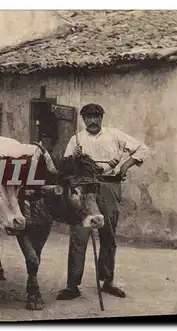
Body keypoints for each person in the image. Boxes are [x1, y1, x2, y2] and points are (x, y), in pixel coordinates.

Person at [56, 103, 150, 300]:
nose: (92, 121)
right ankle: (72, 285)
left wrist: (124, 167)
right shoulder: (77, 139)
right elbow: (65, 165)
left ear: (101, 118)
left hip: (109, 186)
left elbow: (142, 149)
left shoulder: (114, 135)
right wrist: (75, 158)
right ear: (83, 120)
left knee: (108, 235)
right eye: (88, 117)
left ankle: (107, 282)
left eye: (96, 117)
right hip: (84, 188)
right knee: (79, 235)